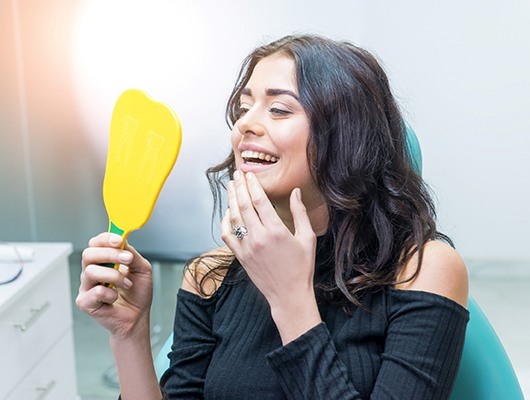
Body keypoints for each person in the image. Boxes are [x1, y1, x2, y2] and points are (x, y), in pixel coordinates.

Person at [76, 34, 469, 400]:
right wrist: (129, 335)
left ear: (348, 137)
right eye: (244, 108)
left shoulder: (421, 269)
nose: (245, 123)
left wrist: (290, 300)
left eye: (279, 109)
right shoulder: (208, 276)